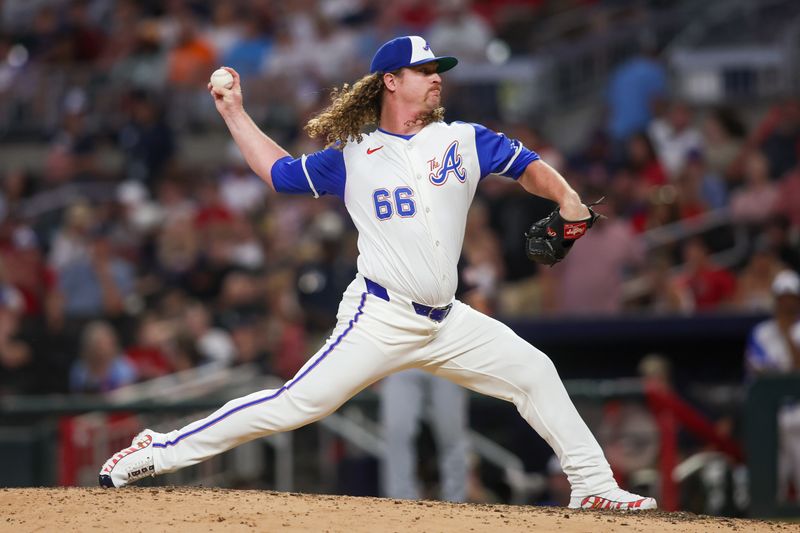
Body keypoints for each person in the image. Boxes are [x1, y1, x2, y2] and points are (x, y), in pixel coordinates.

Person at [99, 36, 656, 511]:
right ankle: (157, 449)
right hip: (380, 315)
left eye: (439, 71)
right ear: (390, 81)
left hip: (448, 320)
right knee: (297, 405)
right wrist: (234, 113)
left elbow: (529, 167)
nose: (437, 79)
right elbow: (278, 173)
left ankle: (594, 487)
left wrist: (570, 201)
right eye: (424, 71)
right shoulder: (354, 152)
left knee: (535, 372)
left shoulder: (461, 138)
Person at [745, 269, 800, 502]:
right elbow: (757, 371)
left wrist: (788, 334)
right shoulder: (761, 332)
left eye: (791, 297)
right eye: (782, 297)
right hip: (771, 416)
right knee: (770, 485)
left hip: (798, 413)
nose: (786, 303)